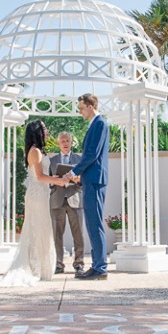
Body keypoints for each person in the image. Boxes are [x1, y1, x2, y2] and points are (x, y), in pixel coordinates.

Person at [0, 120, 69, 287]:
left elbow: (44, 175)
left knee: (42, 228)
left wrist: (60, 178)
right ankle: (34, 268)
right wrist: (59, 182)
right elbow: (40, 177)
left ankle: (41, 268)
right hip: (36, 195)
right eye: (44, 129)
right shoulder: (34, 151)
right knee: (36, 229)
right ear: (38, 132)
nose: (47, 131)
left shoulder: (39, 150)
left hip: (42, 194)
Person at [64, 93, 110, 281]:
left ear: (91, 106)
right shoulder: (95, 124)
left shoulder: (100, 123)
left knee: (95, 222)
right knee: (91, 223)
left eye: (81, 108)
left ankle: (100, 268)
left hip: (95, 179)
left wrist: (73, 172)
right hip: (91, 179)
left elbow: (91, 154)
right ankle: (97, 266)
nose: (80, 112)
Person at [49, 132, 85, 275]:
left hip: (74, 199)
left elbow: (84, 179)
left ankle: (79, 263)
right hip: (57, 200)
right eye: (62, 141)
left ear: (71, 142)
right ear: (59, 143)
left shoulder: (79, 159)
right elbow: (47, 181)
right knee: (57, 234)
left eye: (67, 140)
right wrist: (55, 179)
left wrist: (78, 179)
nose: (65, 143)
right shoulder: (52, 160)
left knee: (78, 234)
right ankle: (58, 264)